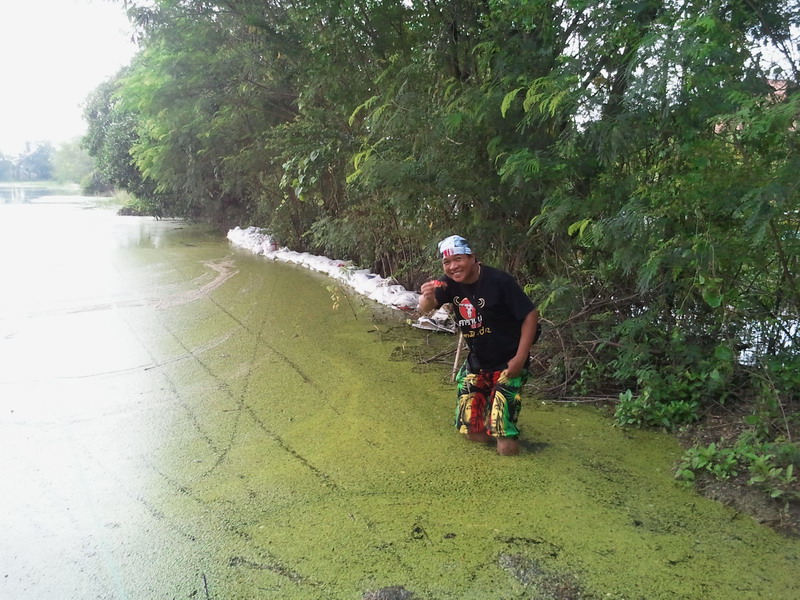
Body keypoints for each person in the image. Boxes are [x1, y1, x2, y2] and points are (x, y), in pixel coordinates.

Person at [418, 235, 539, 456]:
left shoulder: (499, 281)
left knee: (505, 443)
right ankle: (496, 433)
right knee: (471, 431)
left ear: (473, 257)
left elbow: (530, 315)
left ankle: (508, 441)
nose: (453, 266)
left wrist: (520, 358)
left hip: (508, 362)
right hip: (477, 363)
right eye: (447, 262)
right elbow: (426, 309)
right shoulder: (447, 282)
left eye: (459, 259)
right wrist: (426, 297)